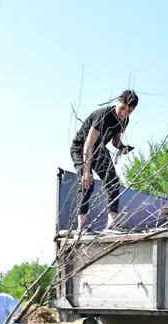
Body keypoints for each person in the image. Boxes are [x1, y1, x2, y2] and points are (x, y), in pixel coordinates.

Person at [70, 89, 138, 234]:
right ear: (117, 102)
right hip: (82, 147)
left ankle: (112, 224)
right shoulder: (103, 115)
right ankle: (81, 227)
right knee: (87, 182)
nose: (124, 113)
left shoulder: (125, 120)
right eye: (122, 108)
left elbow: (115, 141)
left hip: (99, 148)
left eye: (129, 111)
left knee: (113, 181)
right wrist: (87, 171)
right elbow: (88, 144)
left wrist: (122, 147)